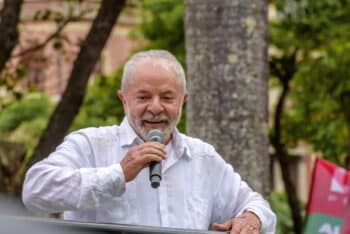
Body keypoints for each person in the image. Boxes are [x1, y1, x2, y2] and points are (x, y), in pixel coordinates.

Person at [22, 50, 276, 234]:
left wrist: (252, 218)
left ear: (183, 101)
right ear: (124, 100)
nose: (155, 108)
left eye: (167, 97)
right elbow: (35, 190)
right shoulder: (90, 144)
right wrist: (118, 173)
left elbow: (255, 204)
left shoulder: (203, 158)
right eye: (143, 97)